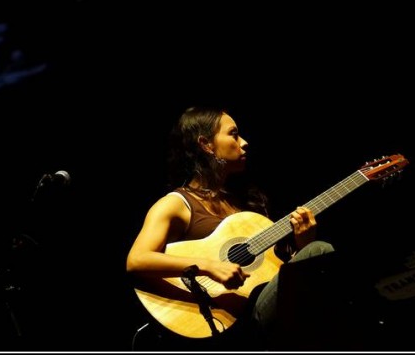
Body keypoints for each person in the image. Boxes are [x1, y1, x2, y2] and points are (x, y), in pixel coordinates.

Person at [126, 105, 335, 350]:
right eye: (234, 134)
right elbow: (136, 260)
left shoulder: (247, 207)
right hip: (230, 317)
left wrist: (303, 244)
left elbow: (275, 275)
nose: (244, 142)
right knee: (321, 251)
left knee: (316, 253)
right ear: (206, 144)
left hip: (268, 310)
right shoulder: (176, 204)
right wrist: (210, 266)